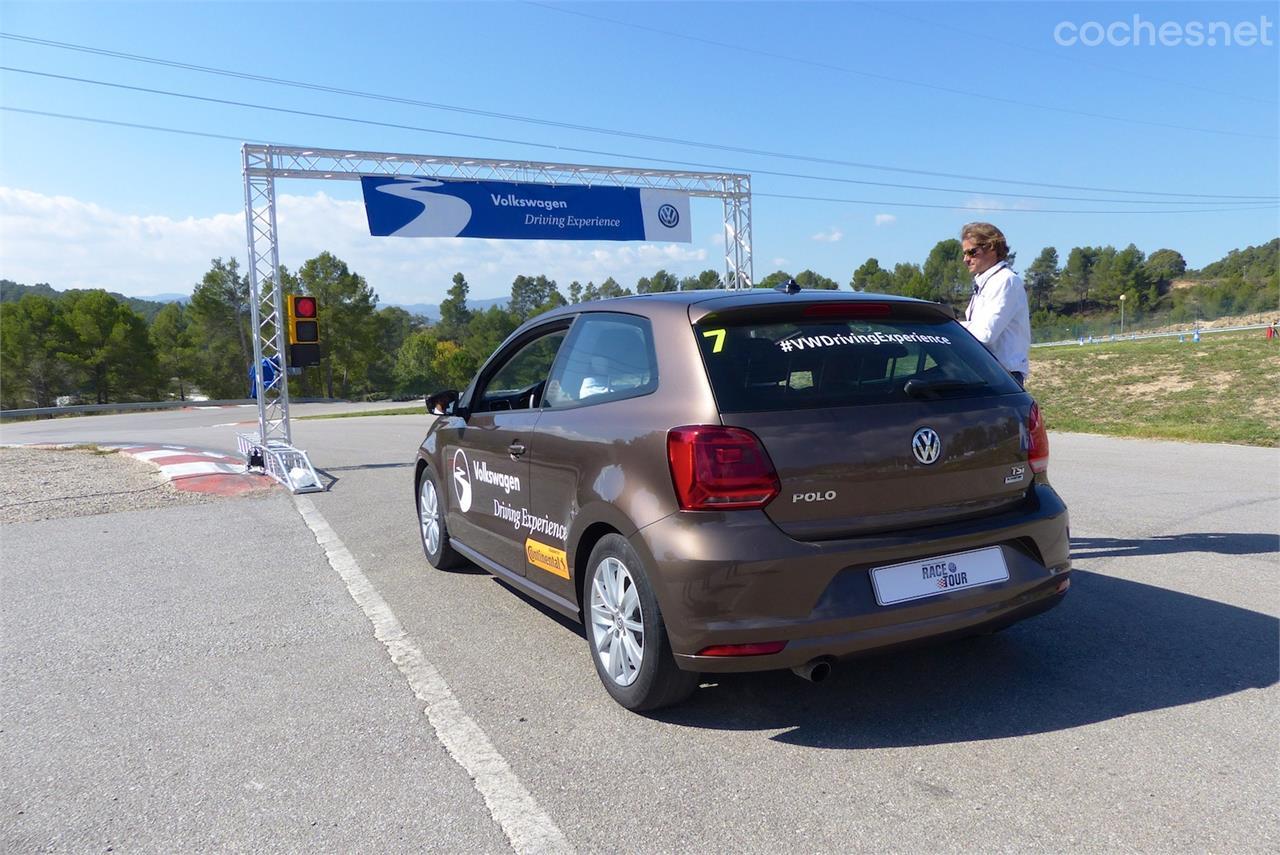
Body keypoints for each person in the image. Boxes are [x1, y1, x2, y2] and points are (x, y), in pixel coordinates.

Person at [959, 222, 1031, 386]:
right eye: (964, 254)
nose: (966, 259)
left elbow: (985, 335)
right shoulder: (985, 283)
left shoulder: (1005, 281)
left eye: (971, 252)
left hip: (1003, 376)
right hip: (986, 372)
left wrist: (953, 326)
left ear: (991, 247)